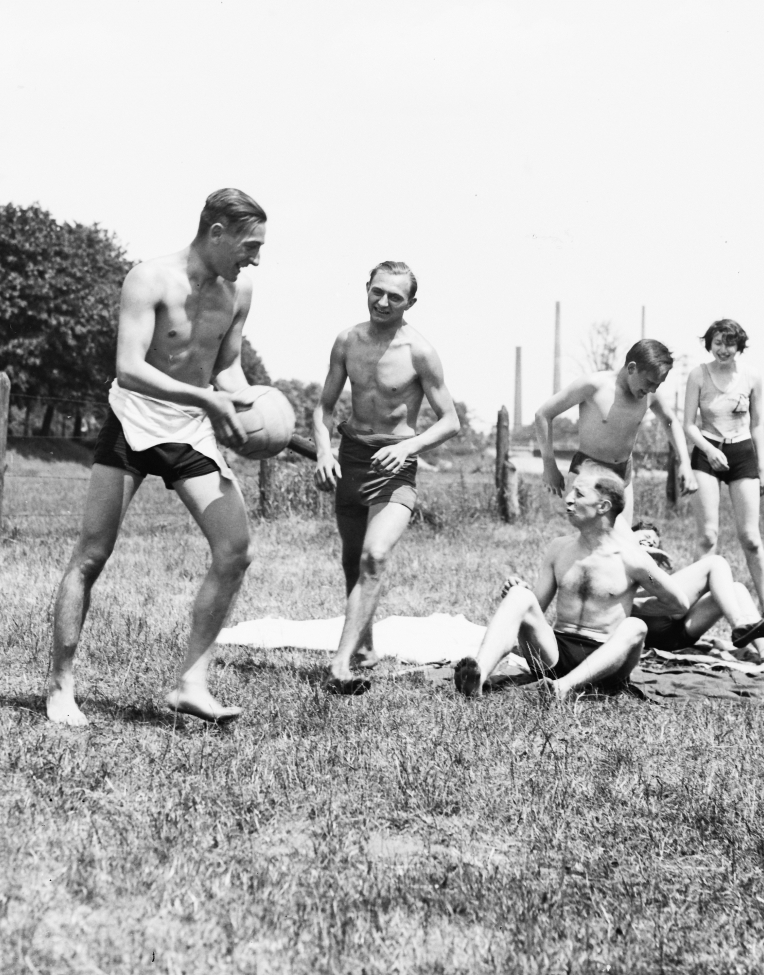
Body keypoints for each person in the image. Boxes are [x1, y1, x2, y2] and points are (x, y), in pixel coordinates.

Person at [46, 188, 269, 726]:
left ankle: (191, 683)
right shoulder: (148, 278)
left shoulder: (238, 292)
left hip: (188, 430)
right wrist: (205, 399)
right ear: (217, 233)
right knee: (92, 555)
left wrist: (255, 406)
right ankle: (60, 685)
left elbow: (228, 368)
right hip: (134, 421)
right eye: (250, 244)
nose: (255, 258)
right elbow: (129, 367)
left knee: (235, 550)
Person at [312, 261, 461, 693]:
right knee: (352, 559)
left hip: (396, 467)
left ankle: (340, 665)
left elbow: (450, 421)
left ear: (410, 302)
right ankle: (366, 647)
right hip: (352, 460)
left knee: (375, 556)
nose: (383, 301)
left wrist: (408, 446)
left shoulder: (420, 351)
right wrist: (324, 450)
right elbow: (323, 407)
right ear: (367, 289)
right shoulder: (347, 340)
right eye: (377, 291)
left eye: (395, 296)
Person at [454, 474, 694, 702]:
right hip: (555, 653)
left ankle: (563, 687)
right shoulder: (559, 549)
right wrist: (520, 595)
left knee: (635, 626)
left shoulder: (634, 560)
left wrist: (632, 607)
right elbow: (537, 607)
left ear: (602, 506)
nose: (568, 499)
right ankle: (478, 676)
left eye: (579, 494)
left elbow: (678, 604)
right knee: (519, 596)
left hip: (607, 663)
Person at [533, 339, 691, 530]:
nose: (652, 389)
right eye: (649, 382)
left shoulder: (650, 396)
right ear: (632, 368)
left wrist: (685, 463)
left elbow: (671, 421)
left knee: (621, 540)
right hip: (588, 471)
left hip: (622, 475)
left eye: (657, 385)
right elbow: (543, 414)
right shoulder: (593, 385)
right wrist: (549, 465)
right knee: (588, 538)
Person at [680, 318, 764, 624]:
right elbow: (688, 425)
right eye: (717, 343)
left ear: (739, 346)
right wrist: (710, 451)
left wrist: (762, 468)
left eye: (729, 343)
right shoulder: (698, 375)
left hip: (742, 453)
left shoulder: (752, 377)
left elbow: (757, 424)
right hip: (708, 451)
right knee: (708, 536)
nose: (723, 350)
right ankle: (693, 613)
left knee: (750, 537)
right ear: (709, 344)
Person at [626, 522, 764, 657]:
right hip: (651, 623)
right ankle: (738, 623)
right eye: (646, 536)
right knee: (716, 563)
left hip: (676, 636)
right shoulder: (614, 558)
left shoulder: (652, 571)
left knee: (737, 589)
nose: (651, 542)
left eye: (654, 543)